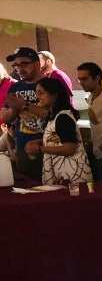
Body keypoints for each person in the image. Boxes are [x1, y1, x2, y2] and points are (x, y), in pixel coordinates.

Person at [1, 47, 50, 182]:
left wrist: (24, 105)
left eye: (24, 64)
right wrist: (14, 110)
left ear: (37, 63)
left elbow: (56, 114)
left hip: (49, 148)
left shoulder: (51, 85)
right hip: (23, 149)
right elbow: (4, 117)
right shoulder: (15, 87)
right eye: (16, 65)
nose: (20, 69)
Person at [33, 78, 92, 186]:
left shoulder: (63, 117)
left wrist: (40, 149)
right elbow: (59, 139)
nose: (38, 97)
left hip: (73, 176)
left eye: (41, 93)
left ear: (54, 95)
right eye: (37, 93)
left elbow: (69, 148)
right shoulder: (54, 117)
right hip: (64, 173)